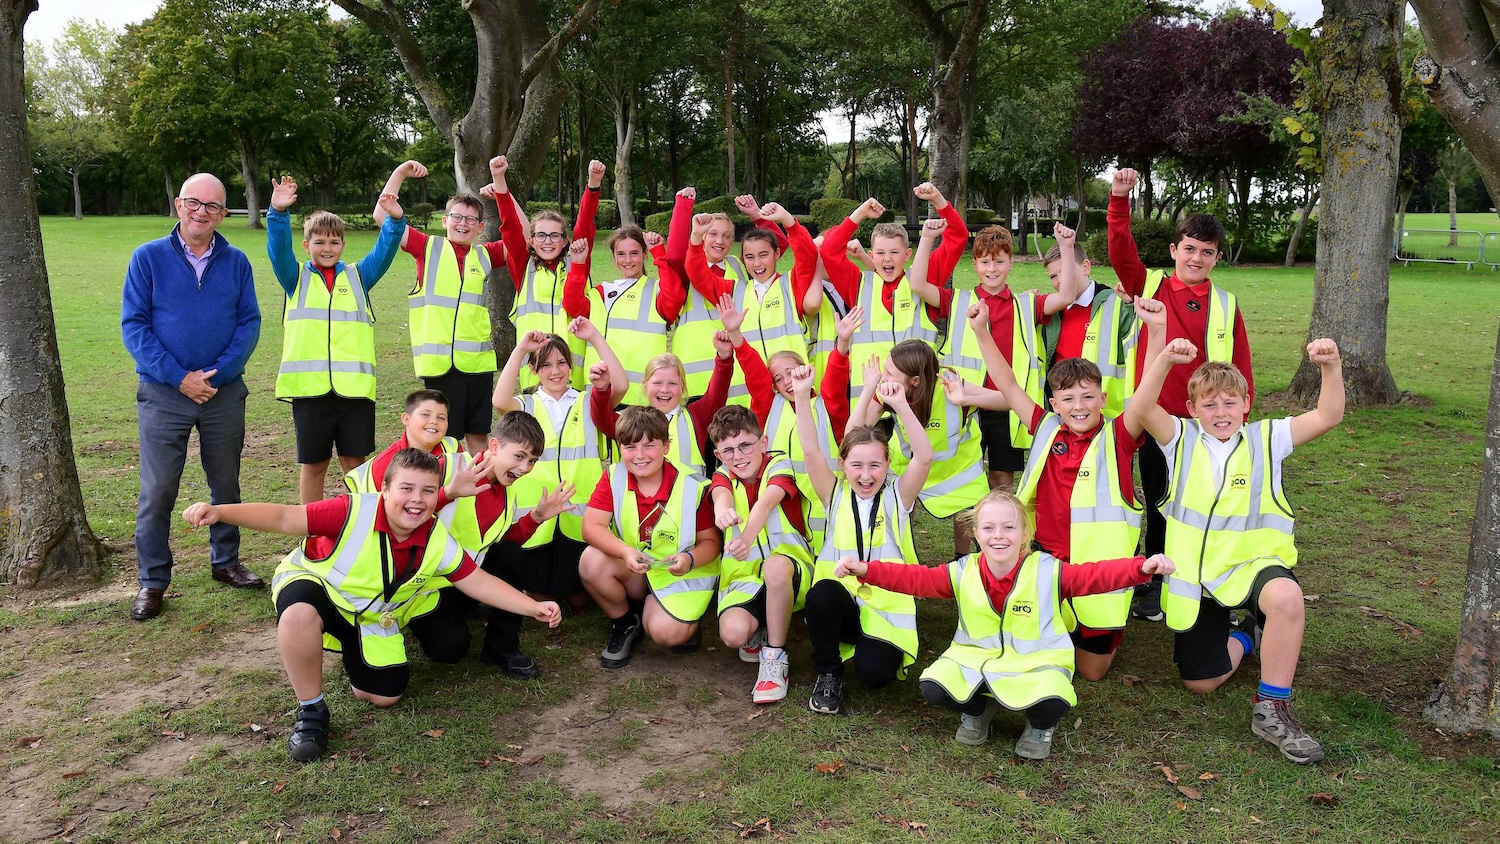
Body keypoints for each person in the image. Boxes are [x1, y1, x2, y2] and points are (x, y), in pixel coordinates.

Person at [182, 448, 561, 762]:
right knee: (299, 614)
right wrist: (221, 511)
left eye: (428, 491)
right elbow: (284, 517)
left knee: (385, 696)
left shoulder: (436, 537)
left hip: (368, 614)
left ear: (438, 496)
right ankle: (311, 709)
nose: (417, 499)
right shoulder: (351, 510)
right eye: (407, 488)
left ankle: (353, 650)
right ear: (385, 489)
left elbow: (478, 581)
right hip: (318, 586)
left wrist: (532, 607)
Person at [1135, 319, 1345, 764]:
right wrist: (1165, 359)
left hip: (1254, 568)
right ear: (1192, 408)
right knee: (1200, 682)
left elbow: (1328, 416)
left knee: (1286, 597)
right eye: (1209, 404)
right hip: (1197, 579)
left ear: (1246, 404)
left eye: (1230, 402)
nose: (1221, 412)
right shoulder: (1178, 438)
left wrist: (1331, 367)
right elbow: (1141, 406)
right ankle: (1249, 634)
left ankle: (1272, 708)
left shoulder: (1268, 438)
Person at [834, 491, 1173, 760]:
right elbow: (915, 578)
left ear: (1025, 533)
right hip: (977, 659)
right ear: (975, 533)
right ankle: (979, 711)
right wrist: (867, 570)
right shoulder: (963, 571)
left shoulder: (1049, 570)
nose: (999, 536)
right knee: (934, 687)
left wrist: (1141, 568)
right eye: (989, 528)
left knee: (1054, 699)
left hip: (1038, 662)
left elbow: (1096, 576)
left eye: (1009, 528)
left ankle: (1039, 727)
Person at [968, 286, 1168, 681]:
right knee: (1022, 645)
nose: (1079, 406)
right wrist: (981, 332)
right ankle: (1055, 621)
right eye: (1069, 398)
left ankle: (1097, 630)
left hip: (1098, 568)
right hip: (1046, 561)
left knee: (1090, 671)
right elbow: (1008, 384)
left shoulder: (1118, 435)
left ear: (1102, 399)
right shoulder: (1045, 427)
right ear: (1054, 404)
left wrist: (1157, 331)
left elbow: (1145, 396)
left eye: (1088, 397)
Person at [1108, 167, 1252, 621]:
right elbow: (1120, 248)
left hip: (1206, 426)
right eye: (1189, 248)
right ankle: (1155, 580)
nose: (1196, 258)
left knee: (1204, 504)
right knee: (1158, 500)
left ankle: (1206, 577)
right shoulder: (1148, 285)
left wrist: (1239, 423)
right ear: (1174, 250)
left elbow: (1241, 368)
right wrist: (1119, 198)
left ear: (1217, 258)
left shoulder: (1226, 304)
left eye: (1206, 252)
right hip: (1157, 420)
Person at [122, 172, 262, 621]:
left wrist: (218, 374)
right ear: (179, 205)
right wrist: (179, 377)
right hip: (163, 393)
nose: (202, 212)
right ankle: (152, 581)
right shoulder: (147, 258)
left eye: (212, 206)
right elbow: (134, 326)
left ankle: (226, 561)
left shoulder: (236, 261)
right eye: (194, 203)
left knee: (226, 484)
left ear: (223, 214)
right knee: (158, 489)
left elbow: (249, 323)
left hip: (223, 392)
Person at [791, 365, 932, 715]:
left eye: (874, 466)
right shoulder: (834, 493)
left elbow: (924, 457)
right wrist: (802, 396)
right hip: (842, 603)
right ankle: (828, 673)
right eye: (856, 465)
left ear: (887, 464)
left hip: (885, 611)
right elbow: (810, 451)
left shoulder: (898, 495)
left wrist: (901, 405)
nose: (866, 475)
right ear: (842, 465)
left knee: (875, 675)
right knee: (820, 594)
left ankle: (875, 651)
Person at [266, 174, 407, 505]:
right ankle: (312, 526)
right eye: (319, 242)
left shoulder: (359, 276)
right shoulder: (295, 277)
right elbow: (278, 250)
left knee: (356, 465)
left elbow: (385, 251)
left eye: (333, 242)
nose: (326, 248)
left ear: (343, 245)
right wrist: (278, 213)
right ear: (307, 246)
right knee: (314, 464)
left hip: (354, 391)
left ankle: (365, 522)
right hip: (310, 391)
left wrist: (395, 220)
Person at [911, 220, 1081, 491]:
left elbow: (1066, 295)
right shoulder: (956, 301)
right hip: (965, 408)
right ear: (975, 265)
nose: (992, 269)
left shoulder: (1027, 304)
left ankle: (1000, 520)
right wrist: (927, 238)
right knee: (965, 482)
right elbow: (918, 285)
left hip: (1009, 409)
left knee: (1002, 479)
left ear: (1011, 263)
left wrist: (1067, 247)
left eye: (999, 262)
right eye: (985, 262)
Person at [376, 157, 520, 455]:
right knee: (443, 438)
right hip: (439, 365)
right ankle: (445, 482)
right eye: (457, 217)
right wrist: (400, 172)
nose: (463, 223)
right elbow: (382, 216)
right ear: (445, 220)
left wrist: (504, 193)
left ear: (480, 227)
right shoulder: (426, 247)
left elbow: (523, 238)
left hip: (478, 364)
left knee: (478, 435)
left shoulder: (485, 255)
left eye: (470, 219)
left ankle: (478, 484)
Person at [492, 322, 623, 616]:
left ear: (571, 366)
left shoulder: (588, 401)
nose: (556, 371)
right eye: (546, 365)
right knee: (539, 590)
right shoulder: (526, 405)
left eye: (562, 362)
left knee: (577, 600)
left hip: (579, 515)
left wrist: (594, 337)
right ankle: (535, 589)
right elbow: (499, 401)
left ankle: (574, 588)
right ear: (534, 370)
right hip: (537, 518)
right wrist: (521, 349)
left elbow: (621, 385)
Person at [578, 406, 722, 668]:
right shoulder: (613, 476)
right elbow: (591, 526)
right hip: (636, 568)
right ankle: (625, 622)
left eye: (649, 446)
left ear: (666, 446)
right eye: (630, 447)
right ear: (620, 448)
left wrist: (689, 560)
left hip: (678, 573)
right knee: (590, 560)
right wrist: (625, 552)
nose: (640, 455)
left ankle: (679, 619)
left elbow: (711, 543)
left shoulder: (694, 486)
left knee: (666, 633)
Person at [437, 411, 575, 678]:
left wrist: (536, 517)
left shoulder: (508, 491)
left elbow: (502, 545)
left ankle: (502, 647)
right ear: (494, 445)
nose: (525, 468)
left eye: (532, 460)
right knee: (449, 649)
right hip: (431, 584)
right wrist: (447, 493)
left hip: (469, 577)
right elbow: (408, 515)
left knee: (512, 554)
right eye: (519, 456)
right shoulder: (451, 467)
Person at [849, 340, 1000, 557]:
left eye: (890, 373)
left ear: (915, 381)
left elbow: (1007, 399)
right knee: (899, 505)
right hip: (908, 464)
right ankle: (900, 556)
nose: (883, 377)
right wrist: (869, 390)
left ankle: (962, 558)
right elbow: (852, 434)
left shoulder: (948, 383)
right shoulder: (887, 391)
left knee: (966, 512)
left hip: (957, 468)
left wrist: (966, 398)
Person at [707, 405, 814, 704]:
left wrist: (745, 537)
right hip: (745, 577)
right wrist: (722, 510)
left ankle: (775, 657)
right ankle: (761, 626)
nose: (738, 456)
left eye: (745, 445)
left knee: (775, 567)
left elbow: (766, 503)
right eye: (728, 450)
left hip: (791, 571)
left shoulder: (780, 464)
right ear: (718, 455)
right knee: (733, 635)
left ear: (763, 442)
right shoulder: (722, 475)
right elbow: (720, 495)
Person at [817, 186, 965, 399]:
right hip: (869, 405)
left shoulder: (923, 280)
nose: (887, 259)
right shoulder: (858, 285)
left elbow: (957, 237)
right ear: (871, 255)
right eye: (880, 253)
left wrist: (938, 200)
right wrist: (860, 213)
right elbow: (830, 250)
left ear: (907, 254)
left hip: (917, 403)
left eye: (894, 252)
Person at [674, 192, 812, 404]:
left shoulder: (791, 285)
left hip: (792, 384)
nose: (757, 263)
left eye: (763, 255)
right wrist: (695, 239)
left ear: (776, 254)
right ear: (743, 260)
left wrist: (788, 220)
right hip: (750, 395)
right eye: (749, 257)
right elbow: (698, 275)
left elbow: (807, 256)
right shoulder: (735, 290)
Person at [489, 154, 605, 393]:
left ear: (565, 240)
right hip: (535, 367)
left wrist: (593, 184)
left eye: (555, 236)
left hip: (571, 366)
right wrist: (499, 179)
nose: (548, 241)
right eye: (541, 235)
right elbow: (510, 225)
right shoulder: (524, 265)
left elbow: (585, 223)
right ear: (531, 240)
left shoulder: (577, 260)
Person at [562, 227, 689, 407]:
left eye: (634, 253)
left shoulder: (657, 290)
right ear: (614, 257)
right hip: (602, 391)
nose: (627, 260)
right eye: (621, 254)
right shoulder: (602, 292)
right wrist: (578, 264)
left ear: (645, 254)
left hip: (642, 398)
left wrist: (659, 253)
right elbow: (572, 305)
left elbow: (675, 298)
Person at [1039, 236, 1136, 420]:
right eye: (1053, 276)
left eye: (1065, 271)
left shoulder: (1117, 304)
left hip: (1108, 418)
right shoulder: (1050, 311)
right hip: (1063, 415)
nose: (1060, 281)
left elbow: (1139, 339)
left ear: (1086, 267)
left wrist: (1131, 306)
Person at [344, 389, 464, 493]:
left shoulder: (452, 447)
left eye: (441, 417)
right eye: (425, 414)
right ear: (406, 419)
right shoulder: (384, 464)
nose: (434, 421)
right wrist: (446, 495)